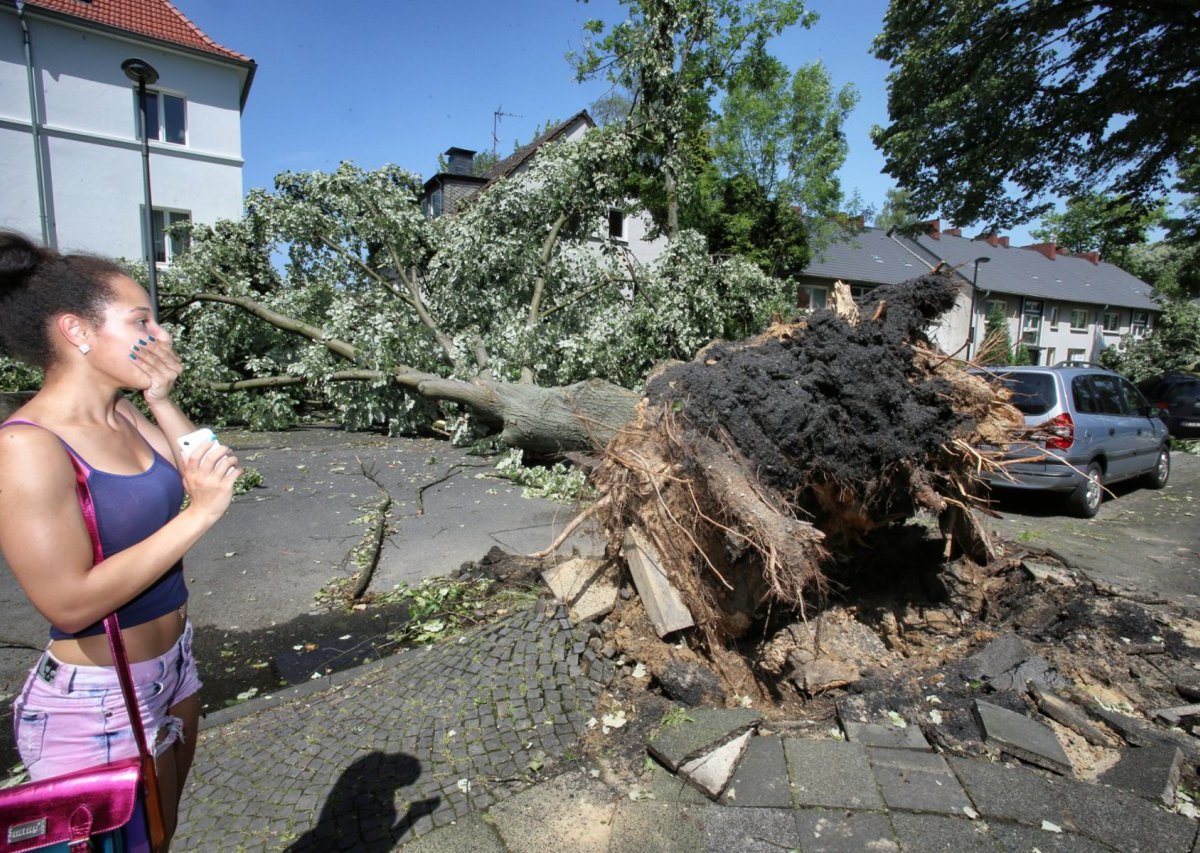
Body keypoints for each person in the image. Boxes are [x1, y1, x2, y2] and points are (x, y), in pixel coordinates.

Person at [0, 231, 240, 850]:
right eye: (142, 321)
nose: (161, 337)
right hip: (97, 700)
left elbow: (210, 468)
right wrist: (199, 515)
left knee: (160, 839)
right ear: (77, 331)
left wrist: (160, 400)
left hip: (173, 667)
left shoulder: (126, 414)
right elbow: (70, 604)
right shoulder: (26, 446)